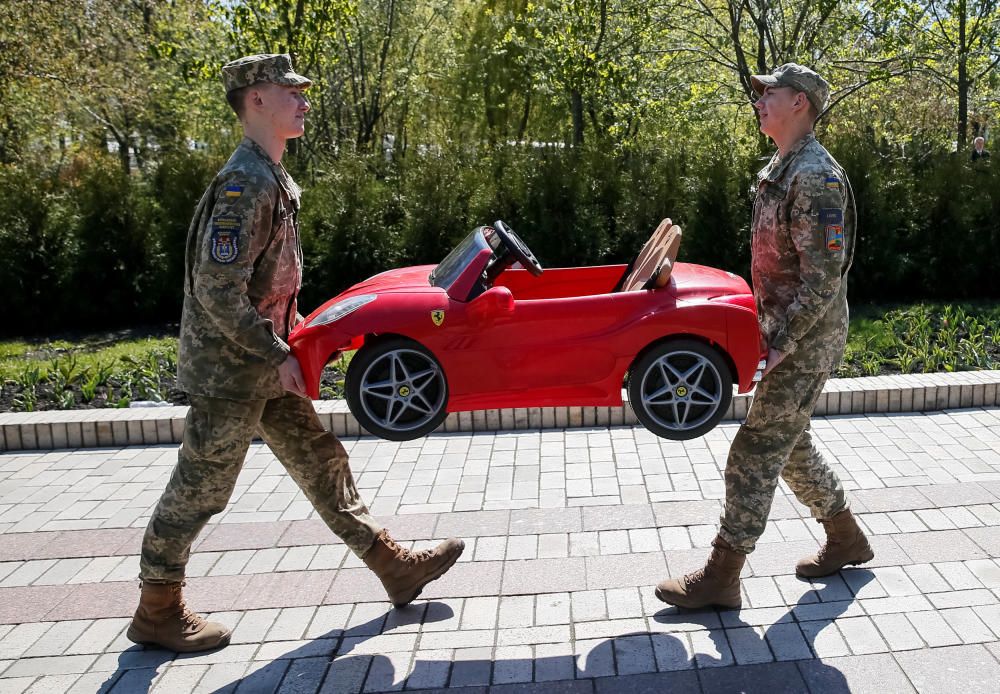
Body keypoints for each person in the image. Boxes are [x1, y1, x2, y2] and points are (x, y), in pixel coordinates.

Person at [127, 54, 465, 653]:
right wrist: (273, 349)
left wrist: (300, 334)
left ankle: (393, 566)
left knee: (321, 460)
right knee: (202, 488)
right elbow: (216, 287)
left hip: (262, 361)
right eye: (291, 92)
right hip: (232, 370)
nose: (304, 101)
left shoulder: (271, 175)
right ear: (256, 100)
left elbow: (266, 283)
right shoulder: (246, 183)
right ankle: (157, 606)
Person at [655, 63, 873, 610]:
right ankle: (846, 538)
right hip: (783, 331)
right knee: (788, 442)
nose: (759, 101)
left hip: (805, 338)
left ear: (799, 102)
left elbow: (824, 277)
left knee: (753, 450)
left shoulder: (816, 175)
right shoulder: (782, 166)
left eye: (768, 93)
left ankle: (723, 574)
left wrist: (783, 342)